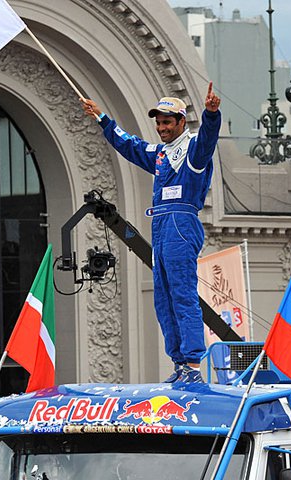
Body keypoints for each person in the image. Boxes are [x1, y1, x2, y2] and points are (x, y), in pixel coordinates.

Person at [81, 83, 222, 383]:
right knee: (164, 297)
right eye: (158, 122)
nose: (162, 127)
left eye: (168, 122)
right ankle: (180, 364)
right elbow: (130, 145)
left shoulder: (193, 150)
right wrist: (102, 118)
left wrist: (211, 114)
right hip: (160, 225)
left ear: (182, 122)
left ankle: (194, 366)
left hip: (181, 224)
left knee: (182, 294)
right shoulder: (159, 154)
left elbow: (209, 140)